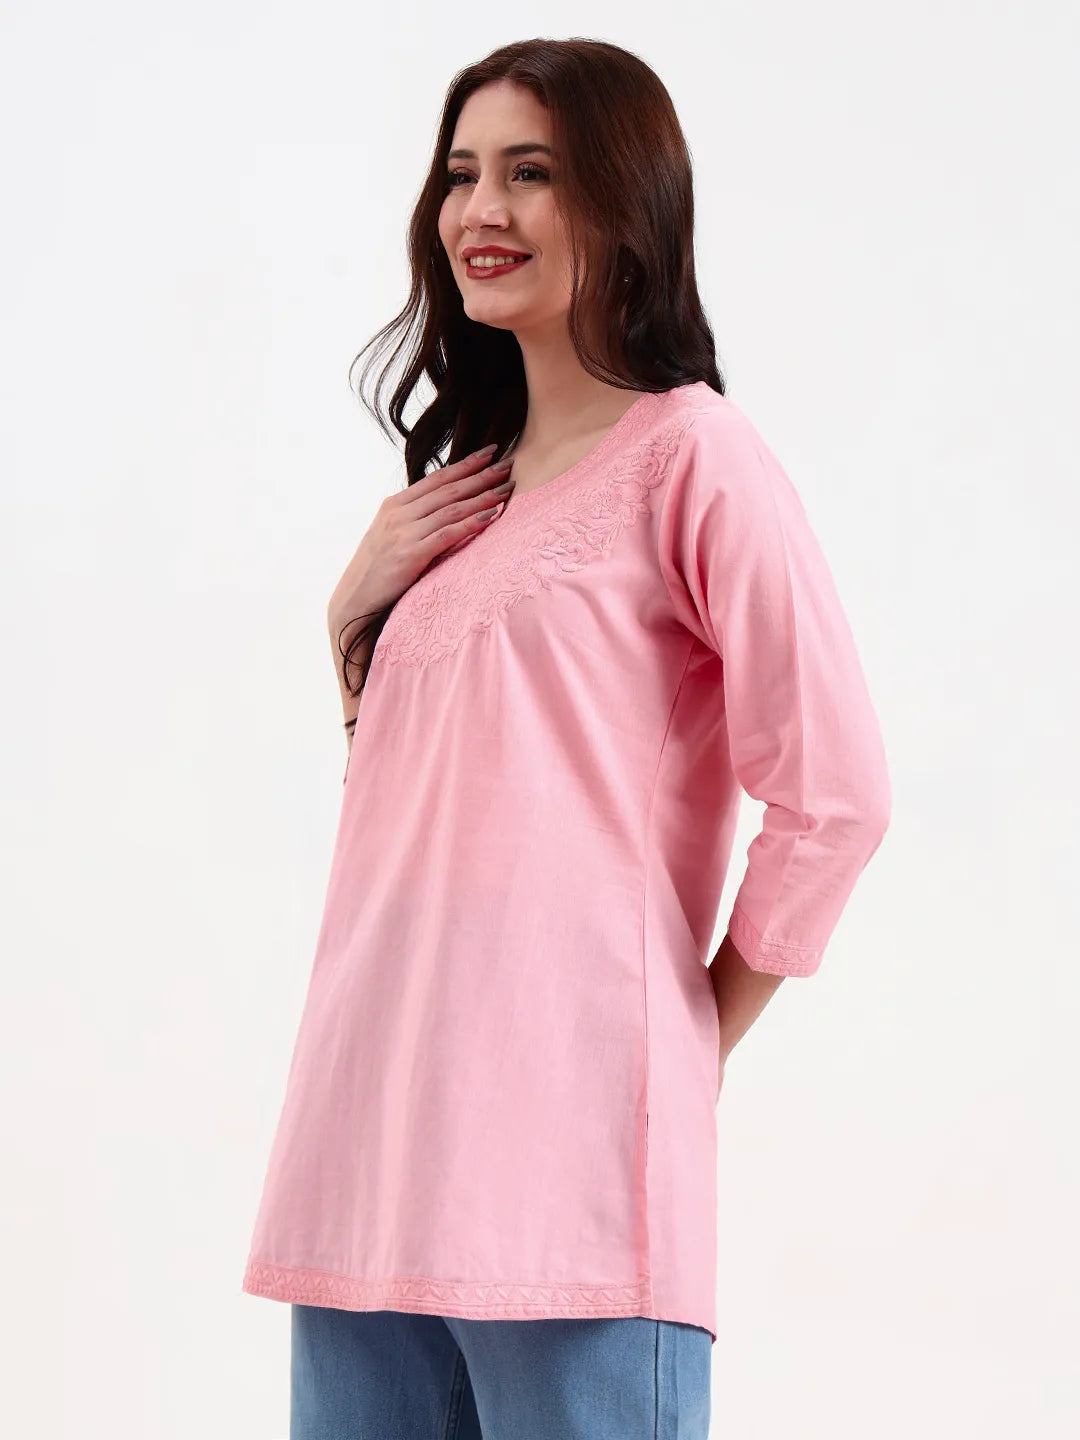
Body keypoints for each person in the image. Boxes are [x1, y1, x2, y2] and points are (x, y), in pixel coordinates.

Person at [241, 37, 892, 1440]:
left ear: (625, 198)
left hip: (570, 1173)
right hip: (365, 1152)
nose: (480, 210)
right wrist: (352, 629)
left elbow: (836, 794)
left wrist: (692, 1030)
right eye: (460, 174)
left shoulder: (693, 455)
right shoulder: (460, 499)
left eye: (529, 172)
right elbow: (431, 805)